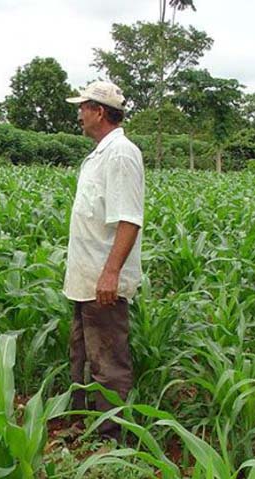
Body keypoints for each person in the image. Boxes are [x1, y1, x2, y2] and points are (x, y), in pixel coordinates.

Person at [64, 80, 145, 441]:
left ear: (99, 111)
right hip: (86, 280)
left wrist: (110, 273)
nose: (79, 113)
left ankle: (111, 438)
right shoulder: (101, 153)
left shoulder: (121, 154)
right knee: (84, 355)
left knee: (108, 361)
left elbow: (129, 219)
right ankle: (85, 423)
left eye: (83, 107)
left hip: (102, 281)